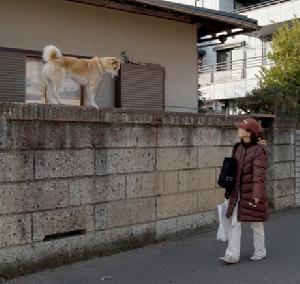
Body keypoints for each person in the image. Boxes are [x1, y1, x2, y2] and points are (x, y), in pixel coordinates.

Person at [220, 118, 269, 264]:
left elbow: (259, 176)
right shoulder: (238, 147)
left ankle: (260, 251)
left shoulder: (259, 150)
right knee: (234, 222)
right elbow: (233, 171)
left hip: (253, 192)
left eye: (241, 128)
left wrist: (257, 195)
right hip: (237, 192)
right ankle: (232, 255)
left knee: (256, 224)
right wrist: (229, 189)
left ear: (249, 132)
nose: (238, 129)